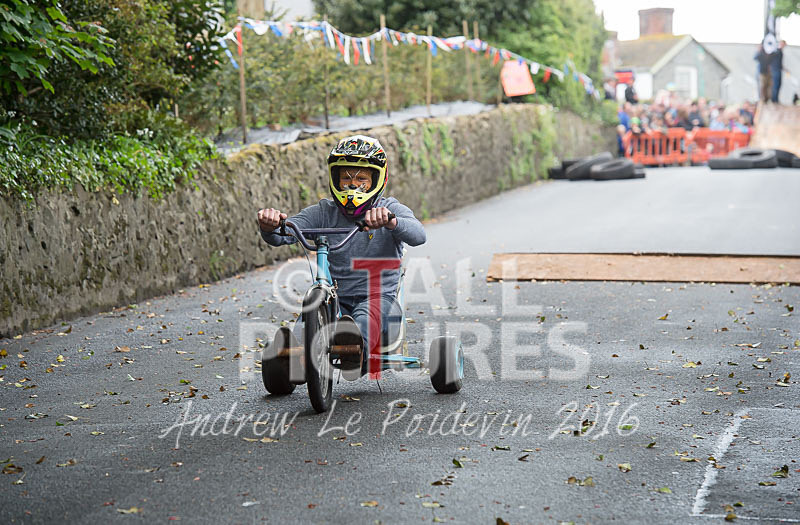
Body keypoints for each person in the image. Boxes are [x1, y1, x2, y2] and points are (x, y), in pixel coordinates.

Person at [257, 135, 426, 372]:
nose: (353, 184)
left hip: (380, 302)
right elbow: (283, 234)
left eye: (361, 178)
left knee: (367, 313)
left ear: (376, 179)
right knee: (313, 305)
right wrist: (270, 225)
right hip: (335, 300)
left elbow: (419, 235)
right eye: (346, 176)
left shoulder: (389, 209)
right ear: (335, 178)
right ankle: (292, 357)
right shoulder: (324, 212)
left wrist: (391, 222)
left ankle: (353, 348)